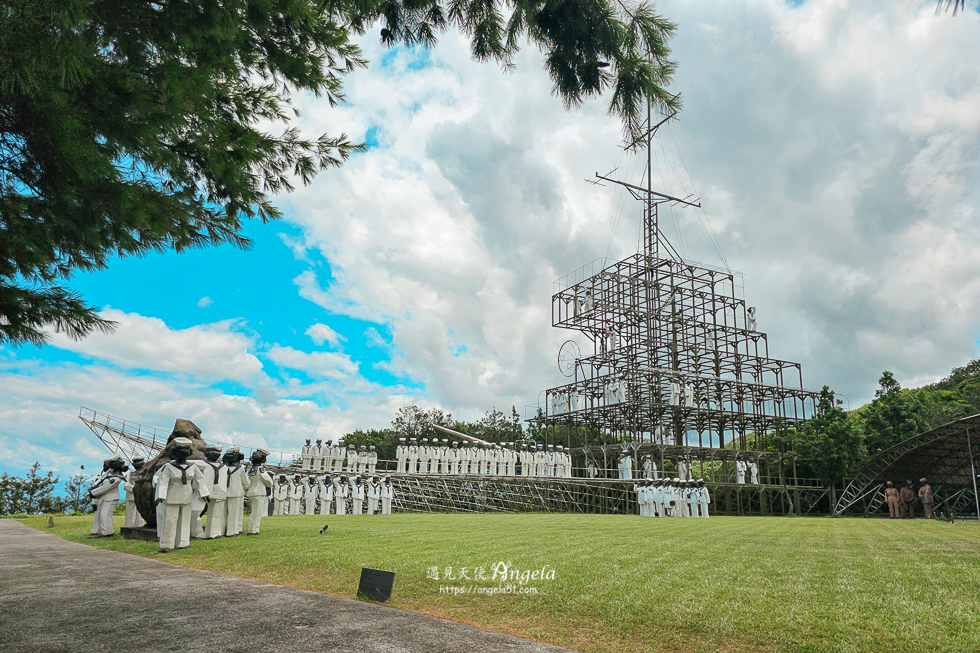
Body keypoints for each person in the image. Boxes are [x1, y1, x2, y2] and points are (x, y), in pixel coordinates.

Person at [156, 437, 210, 552]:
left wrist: (204, 493)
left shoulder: (193, 467)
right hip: (172, 497)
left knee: (185, 520)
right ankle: (167, 544)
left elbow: (200, 481)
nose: (183, 454)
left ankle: (183, 542)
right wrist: (161, 495)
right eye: (180, 451)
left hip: (187, 497)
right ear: (175, 453)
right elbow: (163, 482)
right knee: (170, 520)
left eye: (186, 451)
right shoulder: (168, 467)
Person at [89, 454, 127, 538]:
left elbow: (104, 488)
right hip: (105, 497)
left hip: (111, 498)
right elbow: (102, 480)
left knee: (105, 515)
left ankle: (107, 532)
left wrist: (93, 493)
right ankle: (102, 531)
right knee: (102, 514)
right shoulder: (109, 472)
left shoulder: (116, 478)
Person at [245, 449, 273, 534]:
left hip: (251, 491)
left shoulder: (252, 469)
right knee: (257, 513)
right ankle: (254, 530)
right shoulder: (261, 469)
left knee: (253, 512)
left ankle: (251, 529)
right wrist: (269, 485)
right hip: (259, 492)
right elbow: (268, 481)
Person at [222, 447, 249, 536]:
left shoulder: (222, 467)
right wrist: (245, 488)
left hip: (224, 491)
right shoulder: (241, 468)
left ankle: (221, 530)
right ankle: (232, 531)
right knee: (234, 513)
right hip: (236, 492)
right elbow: (245, 482)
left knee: (223, 513)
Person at [123, 456, 145, 529]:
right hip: (131, 496)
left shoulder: (145, 474)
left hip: (141, 497)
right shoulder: (130, 474)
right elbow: (126, 485)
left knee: (140, 514)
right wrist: (137, 489)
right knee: (130, 513)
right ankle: (129, 527)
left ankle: (139, 526)